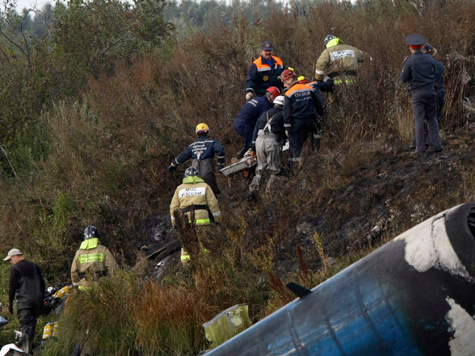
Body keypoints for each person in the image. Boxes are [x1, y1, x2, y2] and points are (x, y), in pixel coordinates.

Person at [400, 34, 443, 155]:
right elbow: (436, 73)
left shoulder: (409, 61)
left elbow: (404, 79)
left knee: (419, 119)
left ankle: (420, 148)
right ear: (421, 46)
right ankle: (436, 145)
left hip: (417, 94)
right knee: (432, 118)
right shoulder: (430, 59)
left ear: (411, 47)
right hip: (431, 91)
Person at [170, 166, 222, 264]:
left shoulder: (180, 189)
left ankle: (188, 268)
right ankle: (208, 265)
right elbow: (213, 204)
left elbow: (174, 208)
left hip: (186, 221)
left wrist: (175, 223)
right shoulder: (205, 186)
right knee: (206, 244)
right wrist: (218, 220)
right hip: (203, 220)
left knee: (187, 245)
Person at [280, 68, 326, 167]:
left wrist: (287, 128)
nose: (284, 85)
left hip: (297, 124)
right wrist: (321, 118)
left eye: (284, 82)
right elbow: (318, 105)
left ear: (290, 79)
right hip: (311, 121)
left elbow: (286, 113)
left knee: (297, 148)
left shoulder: (288, 93)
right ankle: (315, 162)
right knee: (314, 141)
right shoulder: (309, 88)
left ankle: (298, 171)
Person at [5, 248, 45, 354]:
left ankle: (23, 351)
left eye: (10, 260)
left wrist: (10, 302)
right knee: (32, 325)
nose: (11, 262)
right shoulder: (35, 266)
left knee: (25, 326)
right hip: (37, 301)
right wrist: (42, 299)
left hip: (24, 302)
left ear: (15, 256)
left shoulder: (16, 268)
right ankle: (29, 349)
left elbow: (12, 287)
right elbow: (42, 284)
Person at [168, 123, 225, 196]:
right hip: (207, 170)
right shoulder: (212, 142)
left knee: (198, 193)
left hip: (195, 174)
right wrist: (221, 164)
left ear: (197, 134)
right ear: (207, 132)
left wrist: (173, 164)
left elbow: (183, 156)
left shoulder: (192, 146)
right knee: (213, 192)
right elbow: (220, 150)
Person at [248, 95, 287, 197]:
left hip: (259, 141)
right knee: (274, 169)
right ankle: (269, 194)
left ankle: (253, 191)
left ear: (275, 104)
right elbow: (285, 131)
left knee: (260, 169)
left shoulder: (264, 114)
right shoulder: (283, 115)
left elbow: (255, 130)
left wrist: (253, 146)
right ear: (283, 106)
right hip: (271, 141)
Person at [235, 86, 280, 158]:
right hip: (245, 124)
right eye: (275, 98)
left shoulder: (258, 99)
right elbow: (265, 121)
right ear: (270, 96)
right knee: (252, 144)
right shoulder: (265, 106)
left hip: (239, 122)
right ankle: (244, 159)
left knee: (250, 142)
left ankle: (242, 154)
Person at [70, 225, 120, 290]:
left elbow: (73, 271)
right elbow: (113, 268)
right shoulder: (103, 250)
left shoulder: (78, 253)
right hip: (101, 286)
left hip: (84, 287)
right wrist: (114, 282)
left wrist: (76, 284)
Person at [422, 43, 445, 128]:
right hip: (440, 91)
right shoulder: (440, 65)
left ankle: (426, 138)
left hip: (428, 93)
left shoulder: (422, 67)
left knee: (425, 118)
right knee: (436, 117)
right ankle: (435, 138)